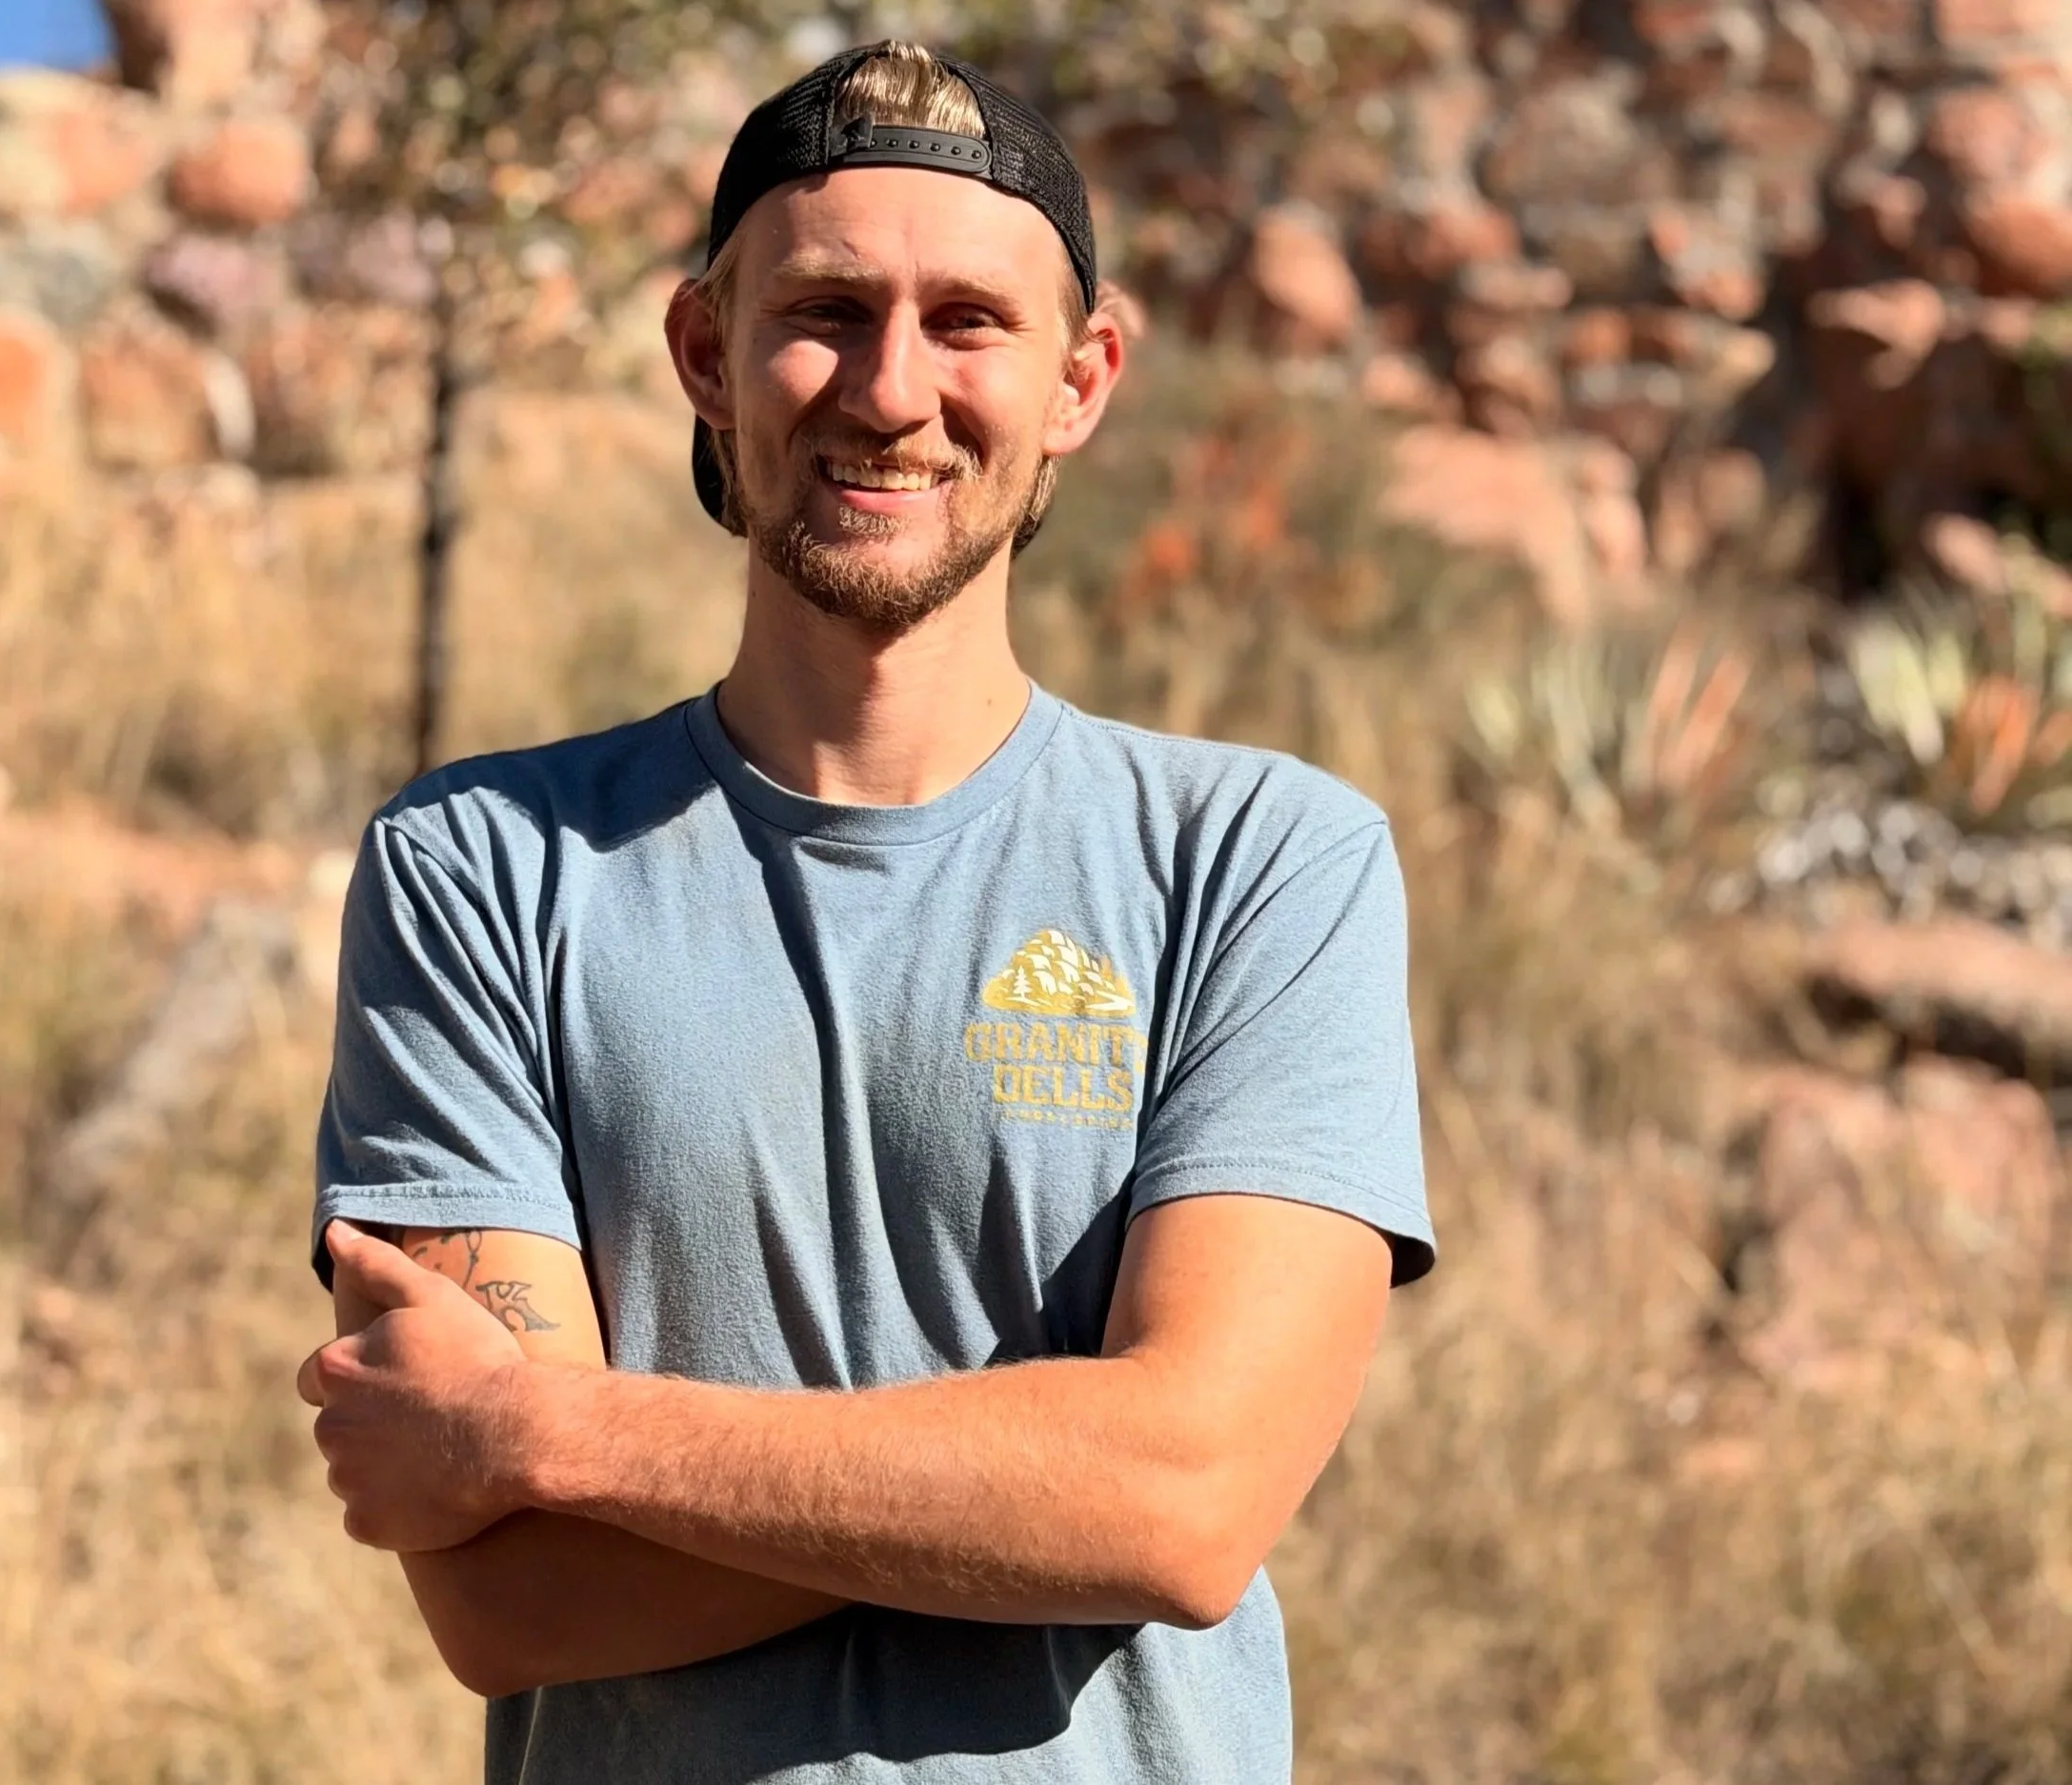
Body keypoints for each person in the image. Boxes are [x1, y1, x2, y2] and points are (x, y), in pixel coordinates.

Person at [297, 39, 1435, 1785]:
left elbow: (1186, 1502)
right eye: (824, 307)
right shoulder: (482, 865)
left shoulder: (1264, 861)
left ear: (1084, 375)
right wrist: (1029, 1486)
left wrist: (552, 1425)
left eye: (970, 320)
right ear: (707, 351)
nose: (891, 391)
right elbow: (509, 1599)